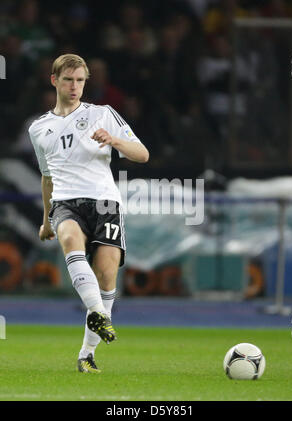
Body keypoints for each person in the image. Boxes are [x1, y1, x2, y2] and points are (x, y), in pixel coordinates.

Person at [28, 54, 149, 374]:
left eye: (80, 80)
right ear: (54, 81)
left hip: (105, 201)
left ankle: (87, 354)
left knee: (107, 273)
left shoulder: (103, 115)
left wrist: (114, 140)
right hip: (66, 201)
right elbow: (47, 177)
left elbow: (143, 154)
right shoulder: (39, 128)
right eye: (68, 80)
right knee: (69, 237)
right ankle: (99, 312)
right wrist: (45, 219)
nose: (74, 86)